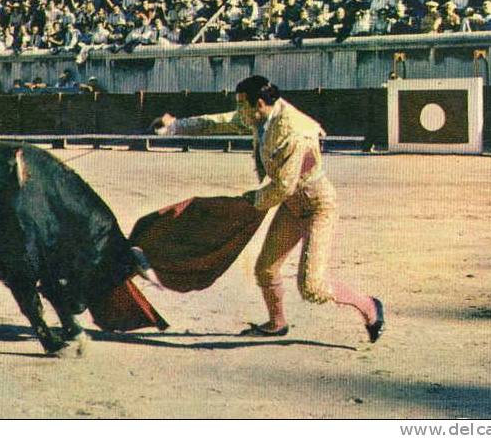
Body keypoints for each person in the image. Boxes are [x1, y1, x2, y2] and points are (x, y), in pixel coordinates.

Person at [153, 75, 385, 342]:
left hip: (318, 206)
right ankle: (277, 323)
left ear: (259, 103)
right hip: (291, 206)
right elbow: (220, 121)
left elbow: (284, 186)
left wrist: (249, 202)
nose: (239, 112)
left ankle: (369, 306)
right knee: (266, 268)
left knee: (312, 287)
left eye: (242, 105)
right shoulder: (260, 116)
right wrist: (174, 126)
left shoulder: (293, 131)